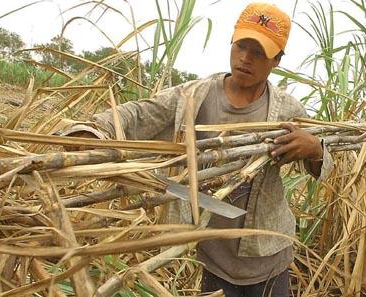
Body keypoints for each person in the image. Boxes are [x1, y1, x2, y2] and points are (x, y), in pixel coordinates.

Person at [61, 2, 333, 296]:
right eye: (241, 45)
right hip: (215, 258)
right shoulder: (195, 96)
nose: (245, 58)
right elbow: (138, 114)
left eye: (259, 52)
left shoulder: (286, 109)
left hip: (269, 256)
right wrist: (92, 131)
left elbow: (322, 163)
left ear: (277, 60)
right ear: (231, 41)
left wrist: (315, 148)